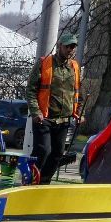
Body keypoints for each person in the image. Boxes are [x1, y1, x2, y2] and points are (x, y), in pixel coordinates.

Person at [26, 30, 83, 184]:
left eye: (73, 47)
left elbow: (78, 92)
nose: (70, 50)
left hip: (63, 120)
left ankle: (43, 182)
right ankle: (30, 178)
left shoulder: (75, 67)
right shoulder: (44, 63)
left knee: (57, 153)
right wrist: (35, 111)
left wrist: (78, 113)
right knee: (43, 150)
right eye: (67, 47)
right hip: (43, 118)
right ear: (60, 46)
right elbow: (30, 90)